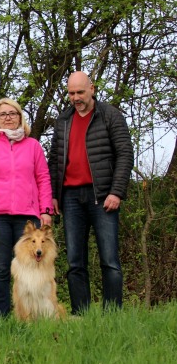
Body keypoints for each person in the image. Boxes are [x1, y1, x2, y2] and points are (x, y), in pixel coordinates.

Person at [49, 71, 134, 314]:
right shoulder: (63, 120)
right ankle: (81, 317)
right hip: (71, 198)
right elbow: (55, 159)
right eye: (71, 93)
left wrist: (116, 192)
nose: (75, 97)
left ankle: (112, 316)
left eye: (80, 92)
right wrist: (54, 195)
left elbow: (125, 154)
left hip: (103, 197)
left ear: (92, 89)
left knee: (109, 260)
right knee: (75, 262)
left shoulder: (110, 115)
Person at [0, 97, 53, 317]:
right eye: (3, 114)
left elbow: (43, 179)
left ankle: (31, 316)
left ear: (20, 117)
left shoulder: (33, 146)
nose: (8, 118)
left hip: (28, 218)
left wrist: (46, 210)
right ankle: (2, 320)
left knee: (30, 270)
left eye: (12, 113)